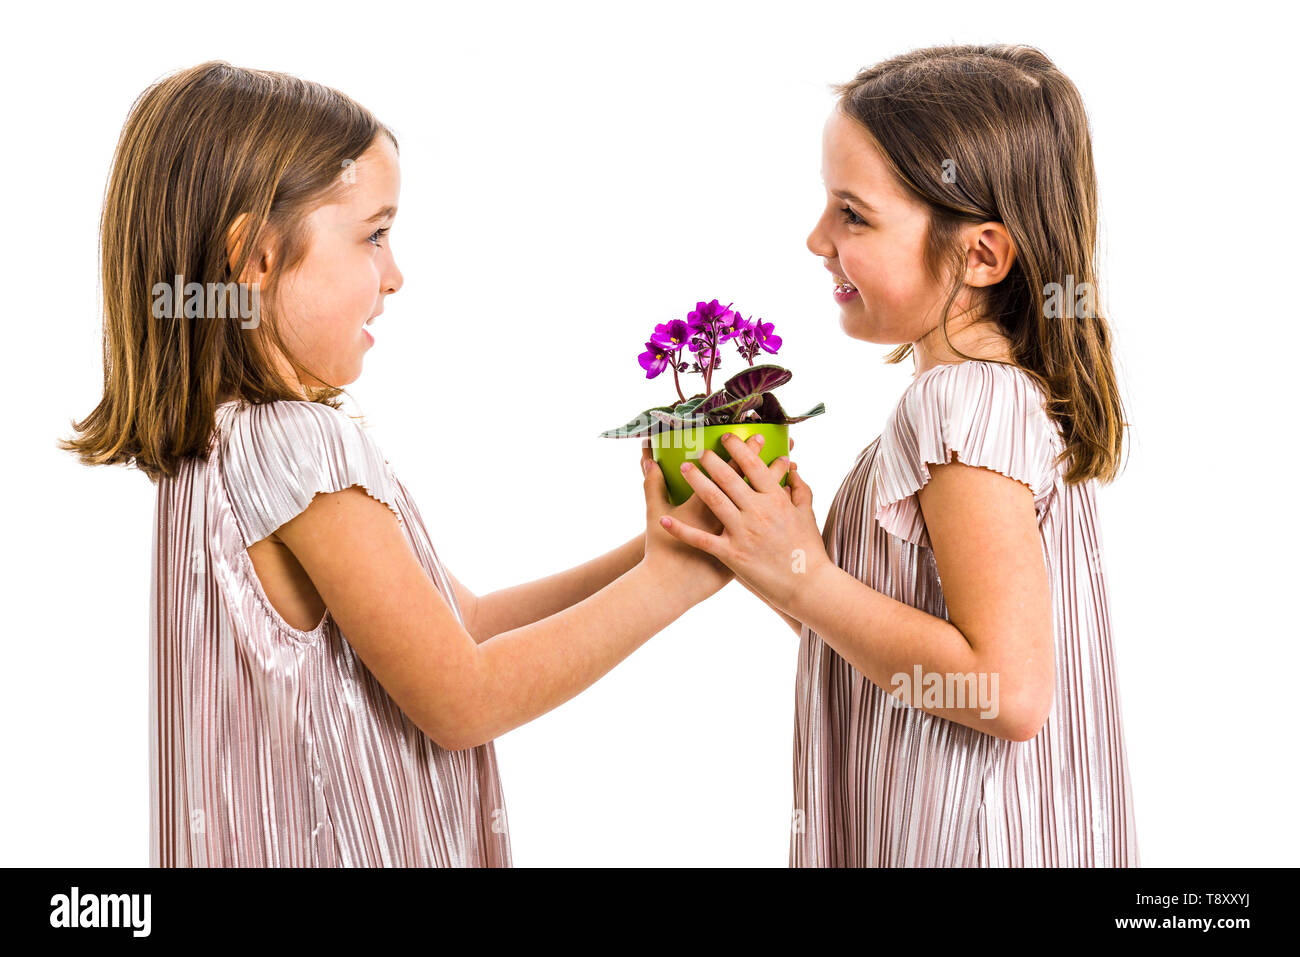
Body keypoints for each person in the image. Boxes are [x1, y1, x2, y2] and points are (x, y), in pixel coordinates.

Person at [60, 60, 754, 867]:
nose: (395, 274)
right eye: (374, 234)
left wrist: (671, 542)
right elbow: (464, 698)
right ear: (253, 258)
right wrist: (673, 584)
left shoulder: (218, 449)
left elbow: (470, 624)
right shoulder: (299, 448)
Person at [659, 44, 1140, 867]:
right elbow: (906, 640)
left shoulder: (957, 402)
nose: (816, 237)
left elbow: (1005, 690)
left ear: (981, 254)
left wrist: (803, 573)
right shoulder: (991, 399)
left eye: (853, 214)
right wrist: (783, 560)